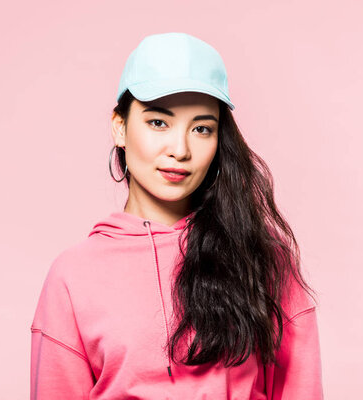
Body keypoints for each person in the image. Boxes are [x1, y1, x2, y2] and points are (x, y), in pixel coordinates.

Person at [30, 32, 323, 399]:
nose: (180, 149)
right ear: (120, 127)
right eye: (158, 123)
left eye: (201, 129)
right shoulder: (72, 277)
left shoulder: (262, 257)